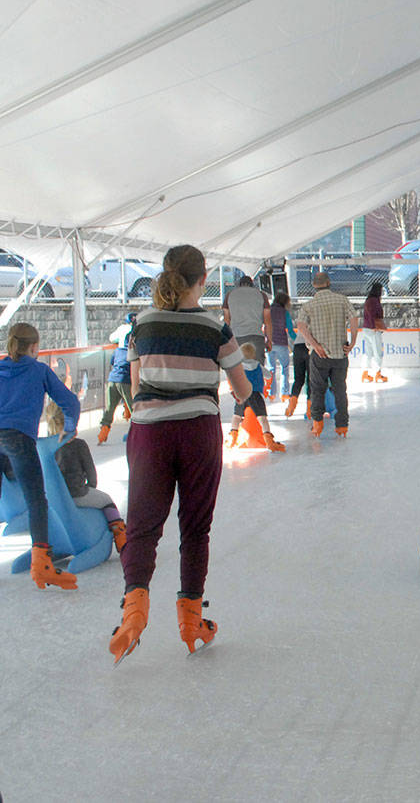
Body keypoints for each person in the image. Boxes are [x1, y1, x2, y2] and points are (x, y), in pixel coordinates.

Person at [109, 244, 253, 663]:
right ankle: (191, 622)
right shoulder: (215, 326)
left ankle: (134, 612)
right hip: (198, 432)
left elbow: (137, 389)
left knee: (142, 527)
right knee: (194, 528)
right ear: (203, 279)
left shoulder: (142, 324)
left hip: (150, 433)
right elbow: (242, 389)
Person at [0, 323, 81, 590]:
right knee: (36, 500)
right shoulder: (39, 370)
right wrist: (69, 429)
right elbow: (70, 402)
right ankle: (42, 564)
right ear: (34, 347)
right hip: (19, 438)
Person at [46, 401, 126, 553]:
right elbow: (91, 474)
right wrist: (91, 487)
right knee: (107, 500)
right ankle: (120, 535)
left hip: (55, 499)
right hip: (78, 494)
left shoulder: (46, 448)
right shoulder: (79, 445)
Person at [296, 271, 360, 437]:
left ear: (314, 286)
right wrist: (352, 341)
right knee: (340, 390)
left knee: (317, 390)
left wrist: (315, 345)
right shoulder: (342, 300)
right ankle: (342, 426)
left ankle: (317, 424)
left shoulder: (309, 305)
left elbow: (301, 325)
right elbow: (354, 319)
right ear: (329, 282)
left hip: (320, 355)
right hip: (340, 353)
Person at [225, 343, 285, 452]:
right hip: (255, 395)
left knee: (236, 416)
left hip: (242, 394)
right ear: (253, 355)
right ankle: (269, 440)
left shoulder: (239, 366)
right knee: (262, 418)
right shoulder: (258, 365)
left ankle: (232, 438)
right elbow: (268, 375)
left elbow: (232, 377)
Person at [99, 312, 136, 444]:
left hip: (112, 379)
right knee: (134, 408)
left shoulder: (117, 350)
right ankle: (134, 432)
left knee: (110, 408)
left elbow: (112, 361)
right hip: (126, 381)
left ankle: (103, 432)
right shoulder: (134, 350)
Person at [222, 275, 271, 367]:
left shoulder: (230, 295)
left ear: (239, 285)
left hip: (237, 337)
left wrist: (226, 340)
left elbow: (227, 321)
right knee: (258, 369)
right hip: (256, 336)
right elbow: (267, 321)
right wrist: (269, 340)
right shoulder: (261, 295)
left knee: (238, 370)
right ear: (252, 285)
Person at [359, 282, 388, 384]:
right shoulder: (374, 301)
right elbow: (375, 314)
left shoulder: (368, 300)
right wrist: (376, 326)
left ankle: (365, 374)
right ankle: (378, 374)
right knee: (377, 352)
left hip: (366, 328)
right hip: (373, 329)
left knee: (368, 352)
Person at [284, 295, 308, 418]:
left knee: (298, 379)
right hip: (309, 347)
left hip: (298, 347)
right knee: (311, 380)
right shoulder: (318, 318)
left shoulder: (302, 319)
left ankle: (291, 406)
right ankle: (309, 410)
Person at [267, 291, 292, 401]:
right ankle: (284, 393)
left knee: (271, 369)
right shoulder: (285, 312)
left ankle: (271, 393)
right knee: (284, 368)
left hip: (269, 343)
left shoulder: (268, 311)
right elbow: (290, 330)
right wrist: (298, 341)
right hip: (282, 343)